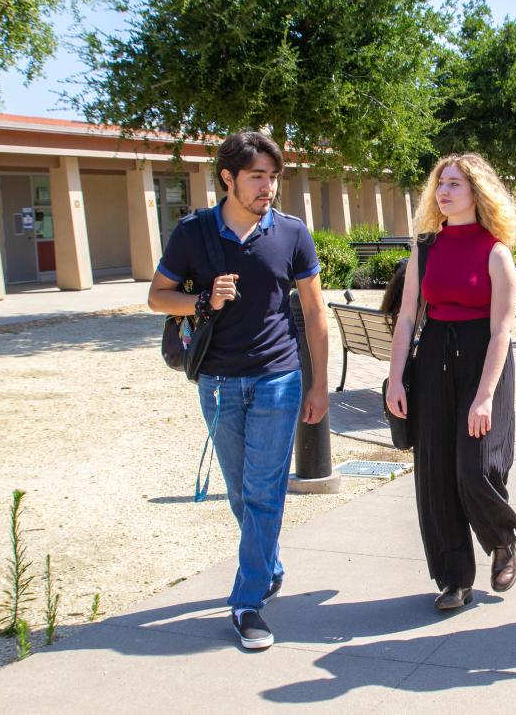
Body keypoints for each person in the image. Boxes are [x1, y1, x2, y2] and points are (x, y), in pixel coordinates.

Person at [147, 131, 329, 650]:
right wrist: (203, 298)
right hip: (219, 384)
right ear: (228, 178)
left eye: (272, 177)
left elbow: (314, 314)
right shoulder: (193, 232)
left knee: (266, 491)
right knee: (240, 493)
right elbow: (158, 299)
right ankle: (267, 565)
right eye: (257, 176)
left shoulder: (292, 233)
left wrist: (318, 384)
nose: (268, 186)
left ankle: (247, 602)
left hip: (278, 378)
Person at [385, 153, 516, 611]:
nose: (443, 192)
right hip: (433, 361)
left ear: (477, 193)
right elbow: (406, 317)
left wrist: (484, 396)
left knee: (475, 466)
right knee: (436, 473)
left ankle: (502, 540)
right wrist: (394, 380)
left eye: (455, 185)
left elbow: (503, 329)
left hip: (484, 362)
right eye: (440, 183)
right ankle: (454, 579)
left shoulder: (496, 251)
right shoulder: (425, 247)